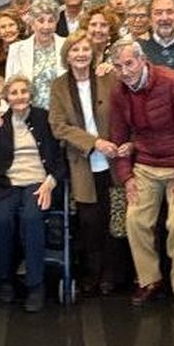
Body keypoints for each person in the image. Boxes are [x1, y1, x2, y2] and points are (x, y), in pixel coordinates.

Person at [111, 38, 174, 309]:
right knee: (135, 218)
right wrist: (127, 178)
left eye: (129, 63)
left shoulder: (172, 82)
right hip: (146, 164)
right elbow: (118, 137)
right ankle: (149, 279)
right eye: (118, 66)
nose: (125, 71)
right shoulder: (119, 92)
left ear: (141, 60)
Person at [0, 76, 63, 311]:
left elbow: (59, 157)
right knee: (1, 219)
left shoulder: (43, 118)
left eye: (24, 92)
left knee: (31, 218)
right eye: (14, 93)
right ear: (6, 98)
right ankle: (5, 280)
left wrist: (50, 182)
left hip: (38, 182)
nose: (19, 96)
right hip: (9, 183)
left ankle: (35, 285)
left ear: (30, 95)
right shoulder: (1, 121)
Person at [48, 30, 128, 296]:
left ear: (93, 53)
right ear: (67, 55)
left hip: (113, 160)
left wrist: (119, 143)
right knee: (89, 221)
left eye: (85, 49)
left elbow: (124, 114)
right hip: (82, 161)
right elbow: (58, 126)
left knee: (114, 220)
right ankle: (91, 274)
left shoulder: (109, 78)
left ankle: (112, 274)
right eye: (75, 50)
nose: (81, 54)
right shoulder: (59, 86)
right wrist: (94, 142)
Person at [4, 0, 66, 109]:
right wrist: (2, 111)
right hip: (29, 114)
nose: (46, 26)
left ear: (56, 23)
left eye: (51, 20)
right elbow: (9, 87)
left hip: (62, 113)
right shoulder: (16, 49)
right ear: (32, 23)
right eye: (41, 21)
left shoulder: (67, 46)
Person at [0, 10, 23, 76]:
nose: (8, 30)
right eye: (3, 27)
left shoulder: (29, 48)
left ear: (18, 27)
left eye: (11, 25)